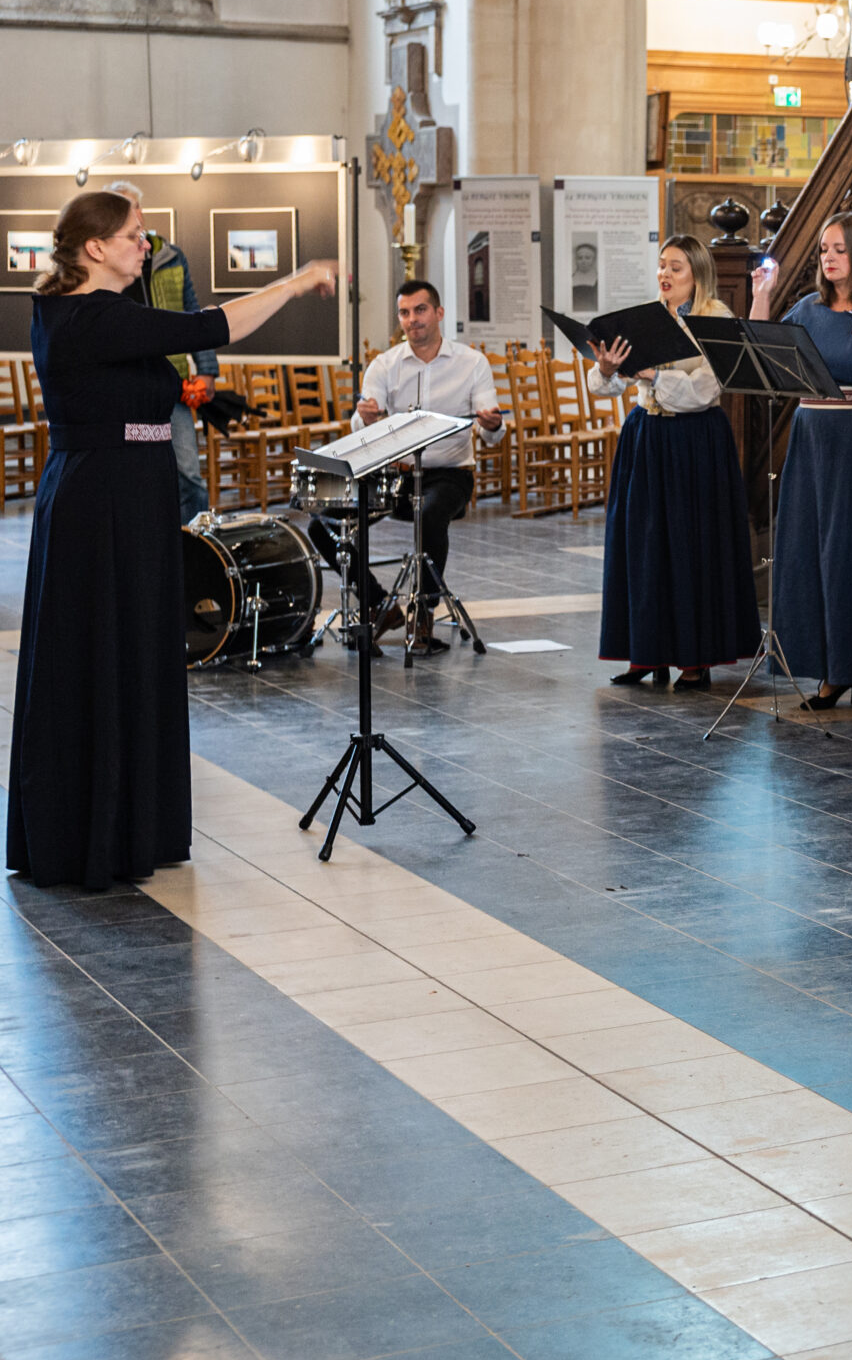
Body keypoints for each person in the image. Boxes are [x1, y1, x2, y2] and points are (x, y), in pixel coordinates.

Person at [9, 191, 330, 890]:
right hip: (103, 501)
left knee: (133, 651)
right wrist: (298, 280)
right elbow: (212, 323)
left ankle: (131, 824)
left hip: (129, 492)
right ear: (93, 248)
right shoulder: (92, 314)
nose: (144, 246)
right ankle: (91, 833)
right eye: (131, 236)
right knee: (101, 650)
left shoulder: (97, 315)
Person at [751, 211, 852, 715]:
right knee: (813, 555)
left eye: (839, 249)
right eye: (824, 249)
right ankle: (833, 669)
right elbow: (760, 349)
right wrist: (762, 291)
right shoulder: (807, 308)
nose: (828, 257)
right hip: (811, 440)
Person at [590, 235, 761, 691]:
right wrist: (608, 369)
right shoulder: (648, 317)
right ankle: (646, 653)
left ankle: (694, 657)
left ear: (698, 275)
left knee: (689, 547)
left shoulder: (716, 319)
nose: (664, 274)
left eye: (676, 268)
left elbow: (707, 388)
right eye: (662, 265)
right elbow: (607, 387)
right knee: (643, 547)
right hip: (646, 437)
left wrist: (652, 373)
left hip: (693, 441)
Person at [350, 278, 506, 652]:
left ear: (438, 313)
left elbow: (491, 430)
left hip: (449, 474)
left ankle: (423, 612)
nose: (412, 319)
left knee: (431, 513)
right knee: (326, 522)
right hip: (397, 474)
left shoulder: (471, 363)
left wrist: (493, 425)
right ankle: (378, 604)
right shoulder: (384, 365)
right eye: (404, 312)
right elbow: (362, 428)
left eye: (420, 310)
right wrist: (365, 418)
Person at [104, 182, 217, 521]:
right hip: (127, 385)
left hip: (173, 384)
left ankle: (194, 547)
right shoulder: (108, 266)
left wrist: (207, 368)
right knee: (133, 473)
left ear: (141, 213)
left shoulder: (172, 256)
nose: (129, 214)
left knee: (188, 472)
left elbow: (193, 312)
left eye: (132, 206)